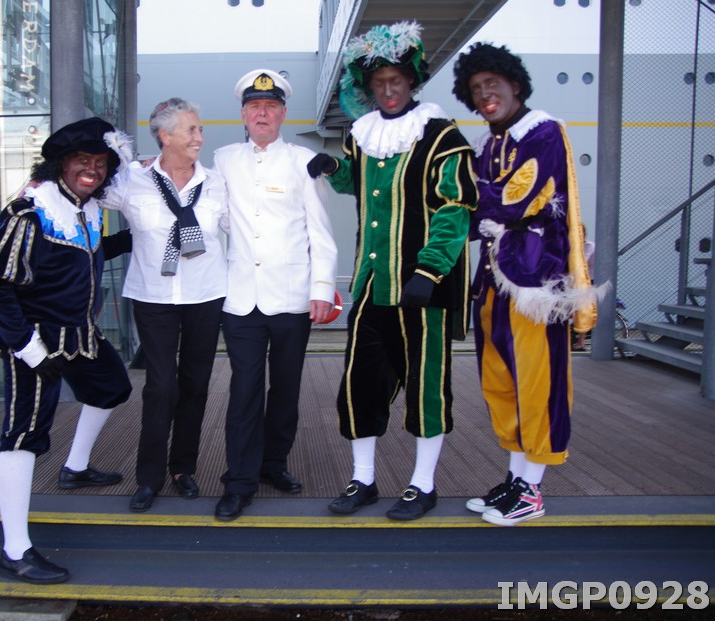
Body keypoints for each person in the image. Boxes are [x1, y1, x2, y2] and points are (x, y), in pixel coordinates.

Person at [307, 21, 477, 521]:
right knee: (360, 385)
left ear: (412, 81)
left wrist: (429, 271)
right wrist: (334, 169)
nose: (387, 90)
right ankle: (363, 480)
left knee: (426, 389)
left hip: (422, 290)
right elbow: (359, 186)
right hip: (372, 286)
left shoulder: (440, 135)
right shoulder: (364, 136)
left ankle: (422, 485)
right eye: (379, 82)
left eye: (396, 81)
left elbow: (455, 208)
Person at [0, 117, 134, 583]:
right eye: (82, 160)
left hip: (79, 334)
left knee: (112, 387)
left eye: (100, 163)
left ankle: (75, 467)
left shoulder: (86, 207)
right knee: (24, 436)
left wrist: (136, 238)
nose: (92, 170)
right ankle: (15, 550)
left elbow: (80, 254)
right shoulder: (31, 211)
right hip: (35, 339)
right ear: (60, 163)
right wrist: (26, 347)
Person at [451, 43, 597, 525]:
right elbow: (477, 207)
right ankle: (516, 479)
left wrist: (472, 200)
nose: (485, 94)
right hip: (495, 279)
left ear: (515, 84)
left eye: (492, 83)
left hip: (536, 279)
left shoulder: (543, 131)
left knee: (538, 384)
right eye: (475, 88)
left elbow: (518, 198)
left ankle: (532, 488)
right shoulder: (490, 144)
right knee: (502, 383)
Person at [212, 69, 338, 521]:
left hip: (291, 296)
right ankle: (239, 481)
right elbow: (214, 215)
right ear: (243, 115)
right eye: (253, 106)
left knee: (286, 388)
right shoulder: (223, 159)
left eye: (270, 106)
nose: (261, 113)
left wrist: (322, 289)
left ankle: (273, 463)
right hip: (241, 298)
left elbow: (320, 232)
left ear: (283, 114)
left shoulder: (304, 161)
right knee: (244, 389)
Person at [101, 98, 228, 512]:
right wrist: (38, 186)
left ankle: (182, 467)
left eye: (200, 129)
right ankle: (149, 477)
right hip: (153, 297)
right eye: (191, 129)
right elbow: (84, 195)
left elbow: (247, 228)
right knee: (160, 386)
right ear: (164, 135)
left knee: (195, 383)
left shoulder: (216, 183)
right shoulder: (131, 180)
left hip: (206, 295)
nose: (199, 137)